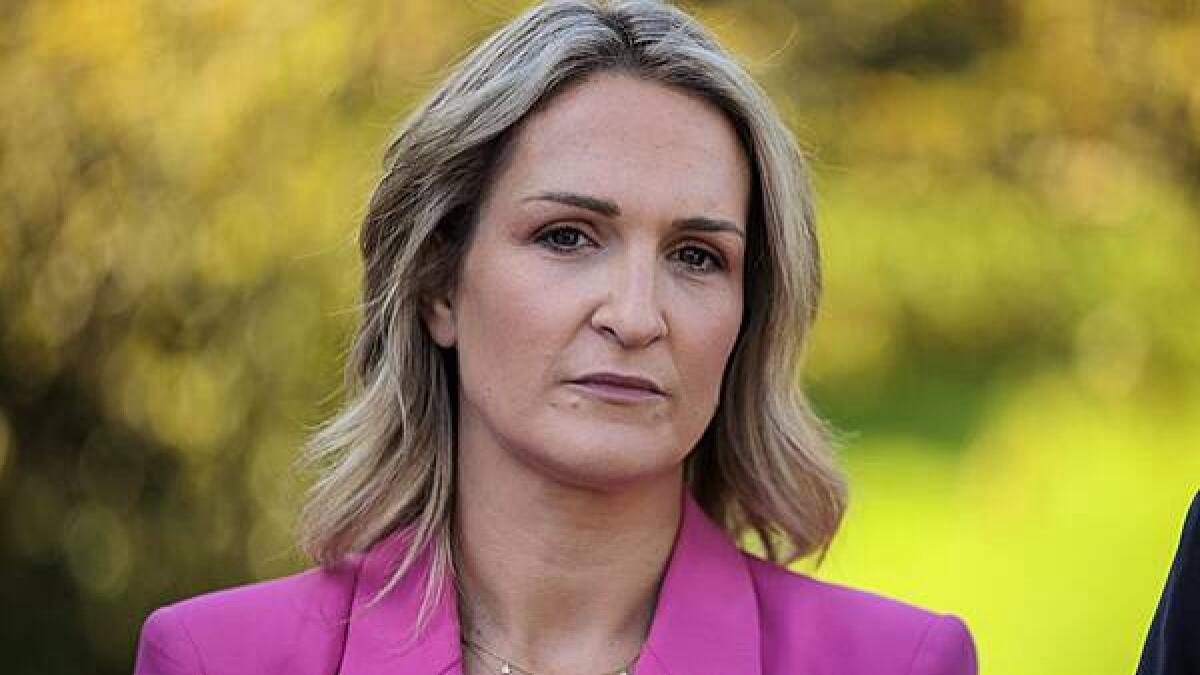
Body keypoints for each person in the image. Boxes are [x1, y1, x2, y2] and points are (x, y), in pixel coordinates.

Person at [134, 1, 978, 673]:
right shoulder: (216, 658)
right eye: (567, 237)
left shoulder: (897, 662)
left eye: (696, 255)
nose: (636, 316)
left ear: (747, 313)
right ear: (438, 284)